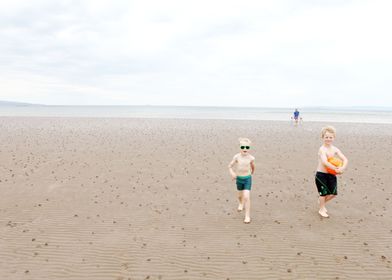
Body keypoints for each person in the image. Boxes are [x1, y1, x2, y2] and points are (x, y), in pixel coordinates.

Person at [315, 126, 348, 217]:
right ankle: (321, 209)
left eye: (330, 137)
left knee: (333, 193)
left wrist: (342, 168)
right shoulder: (322, 150)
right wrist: (336, 169)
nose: (328, 139)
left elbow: (345, 159)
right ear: (323, 137)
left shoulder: (335, 149)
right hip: (321, 175)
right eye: (326, 137)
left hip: (331, 174)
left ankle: (321, 202)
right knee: (323, 194)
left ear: (334, 138)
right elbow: (325, 162)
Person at [228, 138, 255, 223]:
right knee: (240, 196)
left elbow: (253, 166)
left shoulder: (251, 158)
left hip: (247, 178)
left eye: (247, 147)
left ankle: (247, 216)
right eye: (243, 147)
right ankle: (240, 203)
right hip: (239, 179)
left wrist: (251, 173)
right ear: (240, 147)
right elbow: (229, 166)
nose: (245, 149)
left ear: (249, 148)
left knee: (246, 196)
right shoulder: (236, 157)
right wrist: (232, 173)